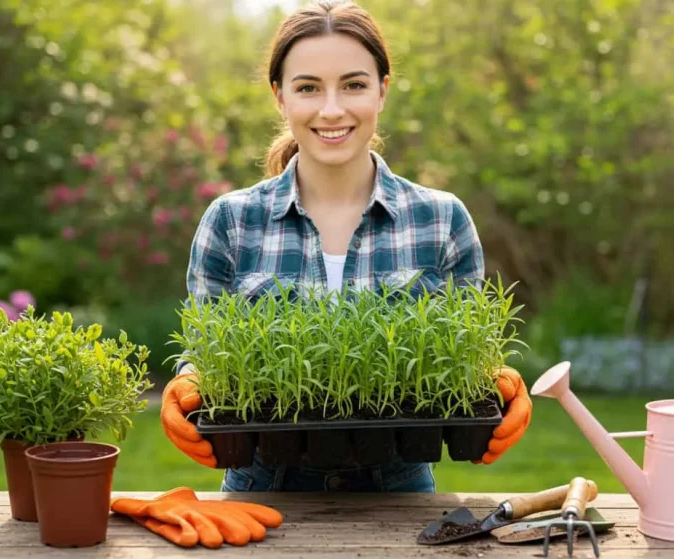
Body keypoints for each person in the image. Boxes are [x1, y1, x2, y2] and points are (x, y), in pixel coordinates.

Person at [160, 0, 531, 493]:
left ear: (383, 90)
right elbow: (207, 357)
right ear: (279, 97)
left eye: (354, 84)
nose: (331, 109)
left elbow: (466, 355)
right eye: (308, 87)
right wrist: (187, 383)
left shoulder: (441, 220)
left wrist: (496, 379)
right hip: (262, 486)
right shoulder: (231, 221)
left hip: (400, 487)